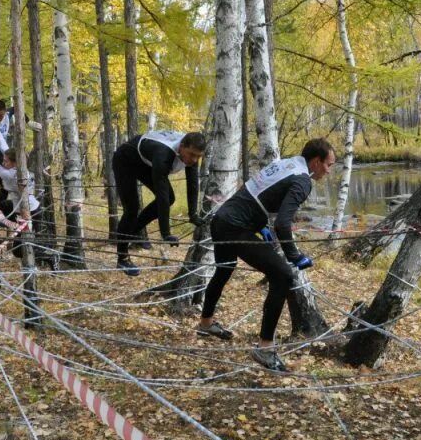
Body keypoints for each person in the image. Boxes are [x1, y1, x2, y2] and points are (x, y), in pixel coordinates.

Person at [196, 139, 336, 372]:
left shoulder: (288, 164)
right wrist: (294, 255)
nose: (329, 171)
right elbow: (282, 223)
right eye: (328, 165)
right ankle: (265, 348)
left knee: (224, 269)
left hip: (222, 219)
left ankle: (206, 323)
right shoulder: (303, 180)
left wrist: (259, 224)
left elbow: (256, 192)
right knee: (282, 275)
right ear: (316, 161)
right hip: (234, 226)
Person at [112, 130, 206, 276]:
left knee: (170, 197)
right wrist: (166, 233)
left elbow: (193, 184)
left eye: (198, 157)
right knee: (132, 208)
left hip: (144, 161)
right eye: (192, 155)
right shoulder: (164, 155)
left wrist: (193, 214)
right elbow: (162, 197)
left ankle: (133, 230)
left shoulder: (190, 152)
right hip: (125, 160)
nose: (194, 160)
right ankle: (122, 258)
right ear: (181, 147)